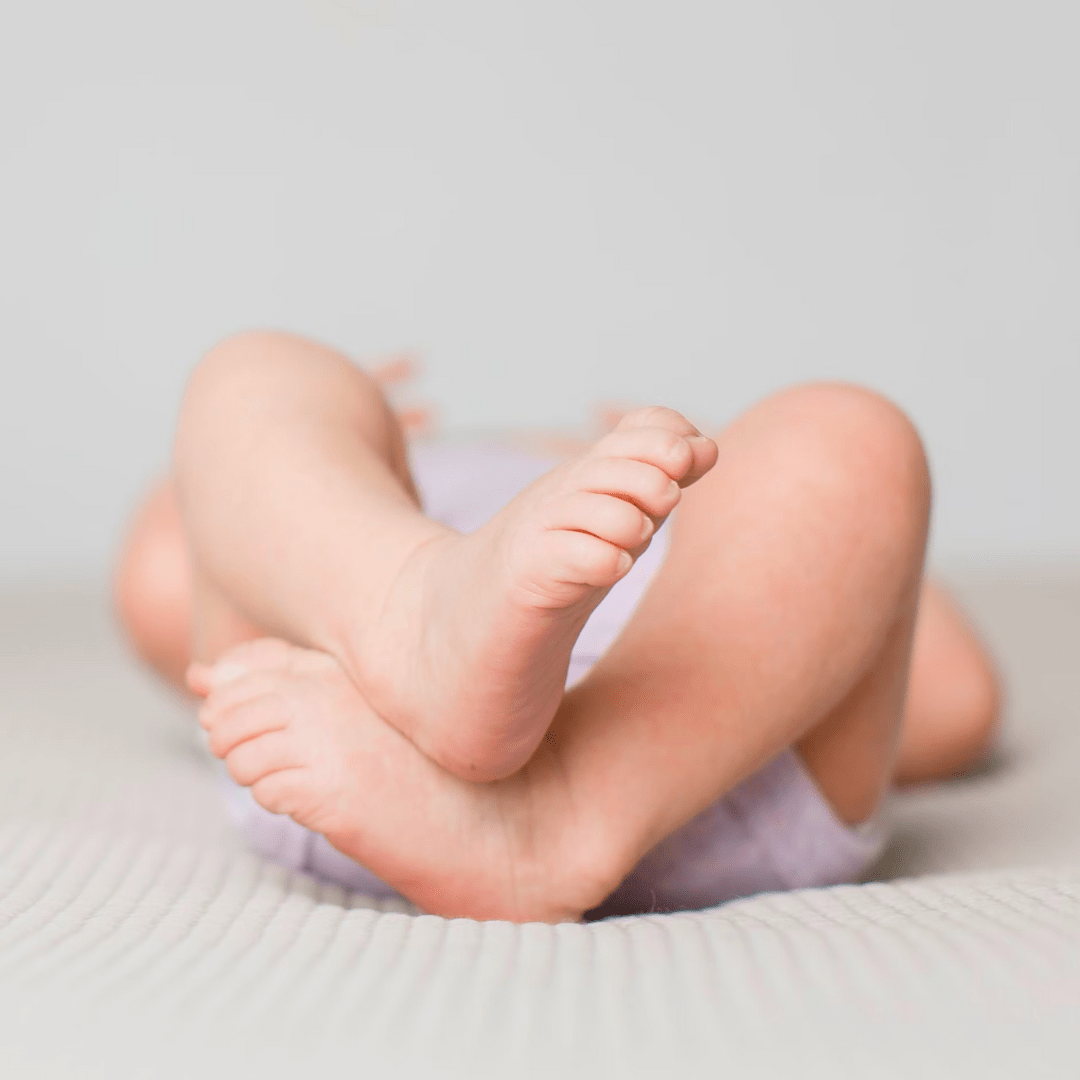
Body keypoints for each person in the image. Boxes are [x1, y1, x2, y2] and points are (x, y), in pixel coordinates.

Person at [115, 331, 1001, 923]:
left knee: (843, 432)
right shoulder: (368, 490)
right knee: (257, 370)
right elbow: (167, 562)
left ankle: (558, 806)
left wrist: (737, 463)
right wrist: (319, 435)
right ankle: (415, 615)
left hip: (677, 770)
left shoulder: (698, 493)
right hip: (358, 739)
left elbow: (953, 695)